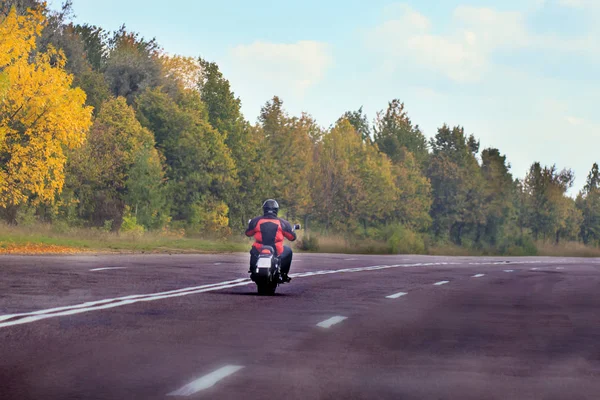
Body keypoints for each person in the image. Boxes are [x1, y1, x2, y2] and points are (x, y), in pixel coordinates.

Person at [245, 199, 297, 282]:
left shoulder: (256, 221)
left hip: (259, 248)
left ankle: (253, 270)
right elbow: (292, 237)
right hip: (277, 249)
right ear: (276, 210)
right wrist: (292, 231)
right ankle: (283, 274)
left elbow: (248, 233)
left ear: (264, 209)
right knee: (288, 251)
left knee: (253, 251)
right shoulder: (283, 223)